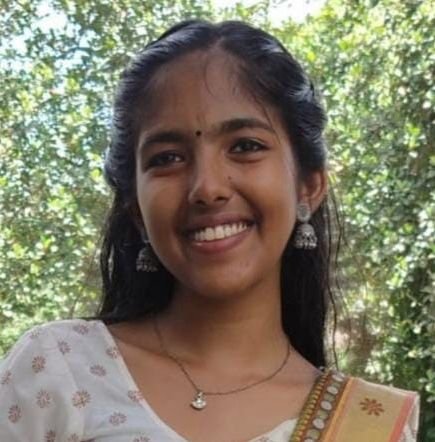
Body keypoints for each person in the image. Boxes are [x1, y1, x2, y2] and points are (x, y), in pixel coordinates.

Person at [0, 20, 419, 442]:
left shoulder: (370, 425)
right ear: (137, 210)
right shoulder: (57, 371)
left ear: (307, 187)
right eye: (167, 157)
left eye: (246, 146)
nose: (207, 188)